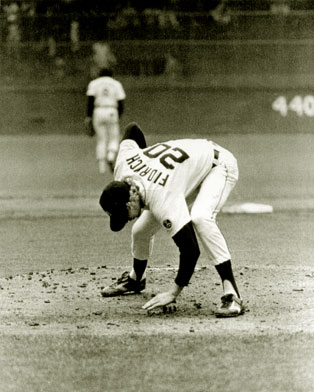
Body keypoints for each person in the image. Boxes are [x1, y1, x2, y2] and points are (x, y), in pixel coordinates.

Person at [99, 122, 245, 317]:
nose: (125, 220)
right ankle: (136, 279)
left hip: (217, 165)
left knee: (201, 217)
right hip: (180, 175)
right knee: (140, 231)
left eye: (124, 213)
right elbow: (132, 129)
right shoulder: (123, 164)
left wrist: (173, 292)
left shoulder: (162, 198)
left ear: (132, 194)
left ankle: (232, 293)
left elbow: (191, 250)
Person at [85, 68, 126, 174]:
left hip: (98, 110)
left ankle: (101, 168)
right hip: (112, 110)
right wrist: (119, 116)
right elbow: (121, 102)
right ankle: (111, 156)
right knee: (113, 137)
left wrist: (88, 116)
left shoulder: (94, 83)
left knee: (101, 139)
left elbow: (90, 101)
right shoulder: (116, 84)